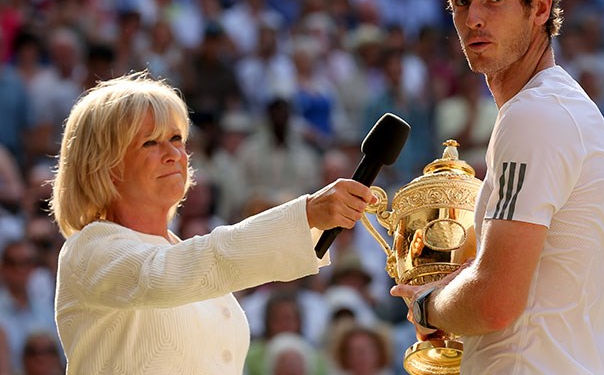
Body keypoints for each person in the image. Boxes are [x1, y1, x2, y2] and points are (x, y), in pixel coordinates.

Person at [390, 0, 604, 373]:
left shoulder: (532, 115)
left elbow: (494, 303)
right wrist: (537, 301)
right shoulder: (582, 114)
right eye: (461, 1)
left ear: (540, 8)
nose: (473, 18)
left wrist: (429, 304)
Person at [49, 71, 375, 374]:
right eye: (150, 142)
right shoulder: (89, 249)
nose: (174, 154)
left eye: (177, 138)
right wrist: (306, 216)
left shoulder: (187, 255)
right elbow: (168, 273)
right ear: (104, 165)